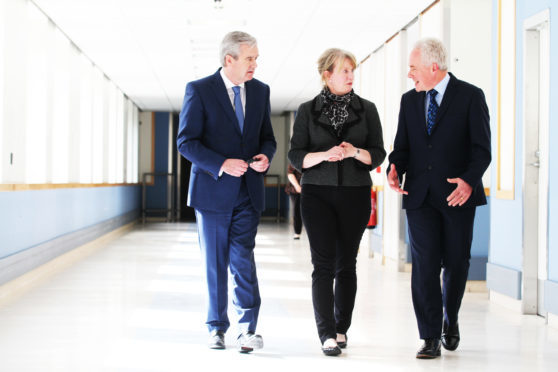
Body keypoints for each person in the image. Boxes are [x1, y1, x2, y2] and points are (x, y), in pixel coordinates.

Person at [386, 38, 491, 359]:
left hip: (458, 196)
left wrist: (469, 181)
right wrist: (394, 167)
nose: (410, 75)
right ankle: (429, 336)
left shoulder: (471, 97)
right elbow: (402, 146)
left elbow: (482, 149)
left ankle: (451, 318)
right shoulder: (409, 101)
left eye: (413, 68)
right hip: (419, 196)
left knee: (457, 263)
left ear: (434, 67)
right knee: (424, 265)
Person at [177, 31, 276, 353]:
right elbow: (186, 142)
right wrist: (221, 163)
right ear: (228, 60)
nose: (255, 65)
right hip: (212, 193)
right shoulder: (200, 90)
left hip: (248, 192)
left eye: (256, 58)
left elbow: (267, 138)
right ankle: (217, 327)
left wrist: (265, 156)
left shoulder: (260, 92)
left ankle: (248, 329)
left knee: (242, 259)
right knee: (215, 263)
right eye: (250, 59)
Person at [288, 48, 386, 356]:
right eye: (344, 70)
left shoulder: (368, 109)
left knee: (347, 264)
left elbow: (378, 154)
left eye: (352, 70)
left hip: (355, 194)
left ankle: (342, 328)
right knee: (323, 265)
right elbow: (296, 155)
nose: (350, 75)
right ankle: (326, 334)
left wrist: (354, 151)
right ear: (327, 74)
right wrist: (325, 155)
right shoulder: (306, 110)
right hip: (316, 193)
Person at [285, 163, 303, 239]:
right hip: (296, 189)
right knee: (296, 211)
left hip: (310, 188)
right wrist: (297, 186)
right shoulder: (296, 158)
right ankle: (297, 232)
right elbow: (290, 174)